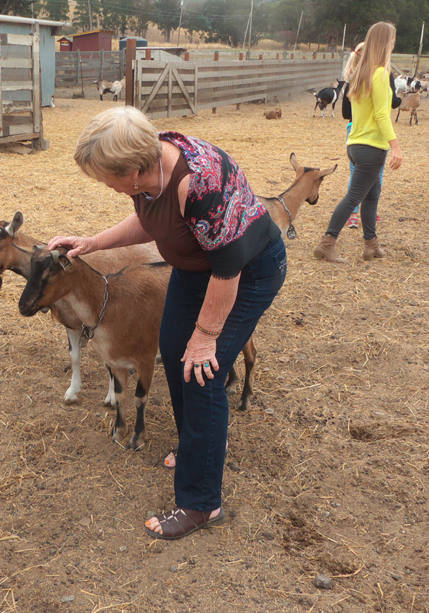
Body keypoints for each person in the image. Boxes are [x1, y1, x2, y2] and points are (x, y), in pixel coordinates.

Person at [48, 107, 286, 540]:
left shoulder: (200, 183)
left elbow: (228, 269)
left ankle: (200, 502)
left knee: (201, 371)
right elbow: (150, 220)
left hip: (246, 274)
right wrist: (92, 242)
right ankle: (202, 445)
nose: (105, 185)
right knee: (175, 353)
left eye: (107, 177)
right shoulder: (149, 172)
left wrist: (207, 335)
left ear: (134, 171)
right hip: (197, 269)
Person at [313, 21, 402, 263]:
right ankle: (326, 244)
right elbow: (383, 114)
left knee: (371, 196)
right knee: (353, 197)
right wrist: (395, 145)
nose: (394, 43)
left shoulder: (359, 74)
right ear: (386, 43)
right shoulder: (381, 74)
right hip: (371, 147)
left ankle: (371, 246)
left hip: (355, 144)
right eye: (393, 39)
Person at [340, 42, 401, 229]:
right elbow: (389, 105)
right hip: (372, 137)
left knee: (354, 175)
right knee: (376, 176)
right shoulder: (382, 74)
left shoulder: (353, 78)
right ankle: (367, 217)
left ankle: (355, 218)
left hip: (353, 133)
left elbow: (344, 112)